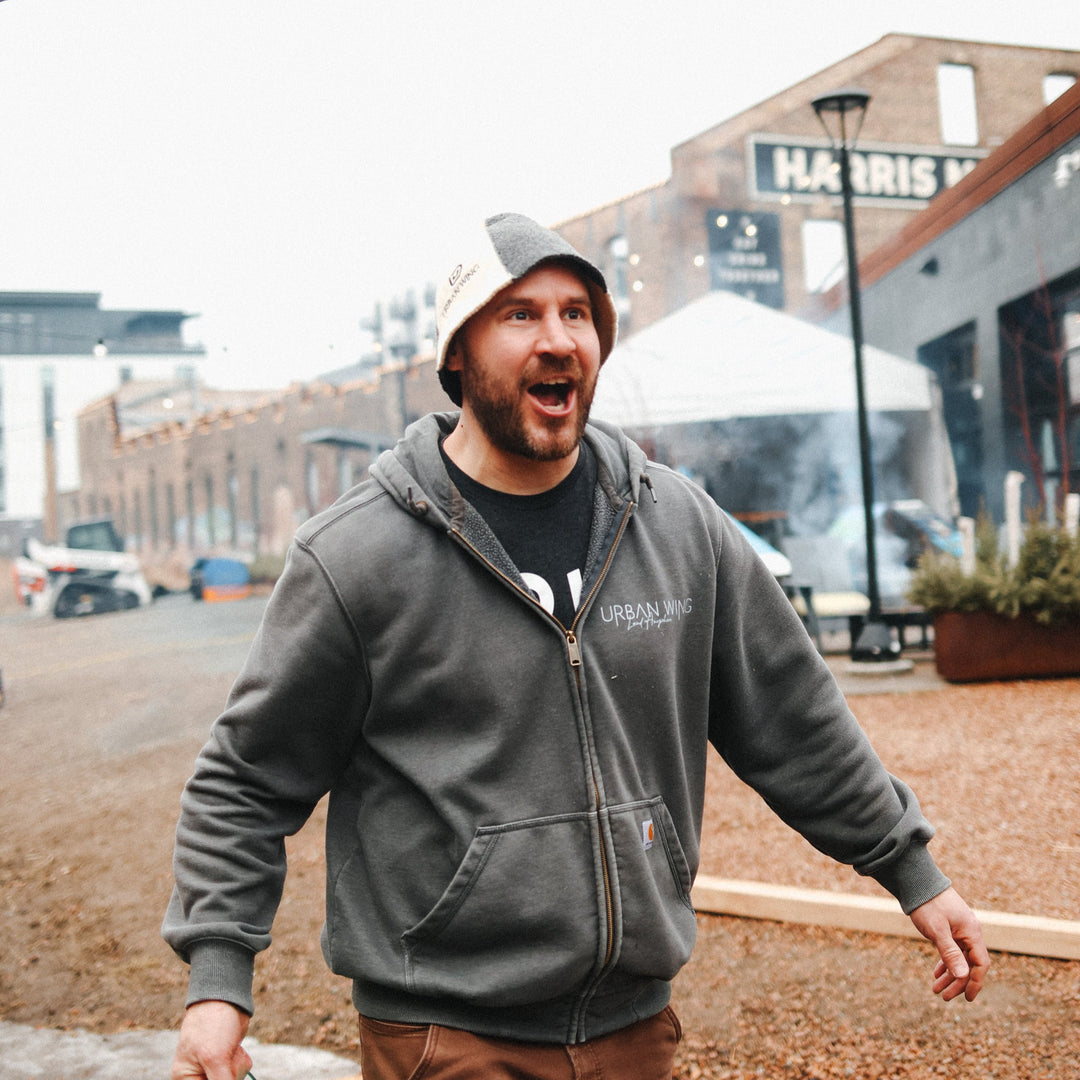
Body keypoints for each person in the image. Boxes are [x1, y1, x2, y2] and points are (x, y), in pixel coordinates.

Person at [163, 212, 989, 1080]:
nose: (557, 339)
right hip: (447, 1037)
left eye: (577, 314)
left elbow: (794, 717)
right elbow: (246, 782)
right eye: (520, 315)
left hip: (636, 1029)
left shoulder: (678, 527)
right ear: (457, 355)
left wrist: (912, 870)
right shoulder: (357, 557)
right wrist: (218, 986)